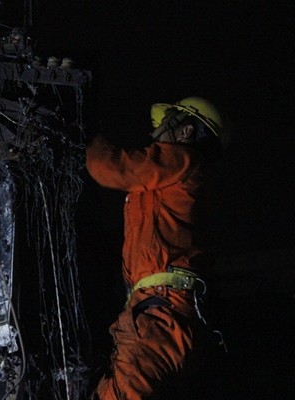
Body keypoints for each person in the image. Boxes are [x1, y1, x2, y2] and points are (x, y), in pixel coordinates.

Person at [85, 97, 228, 399]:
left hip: (162, 315)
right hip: (164, 313)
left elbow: (111, 167)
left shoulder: (182, 161)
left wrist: (84, 134)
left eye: (163, 125)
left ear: (185, 131)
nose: (154, 134)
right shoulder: (173, 184)